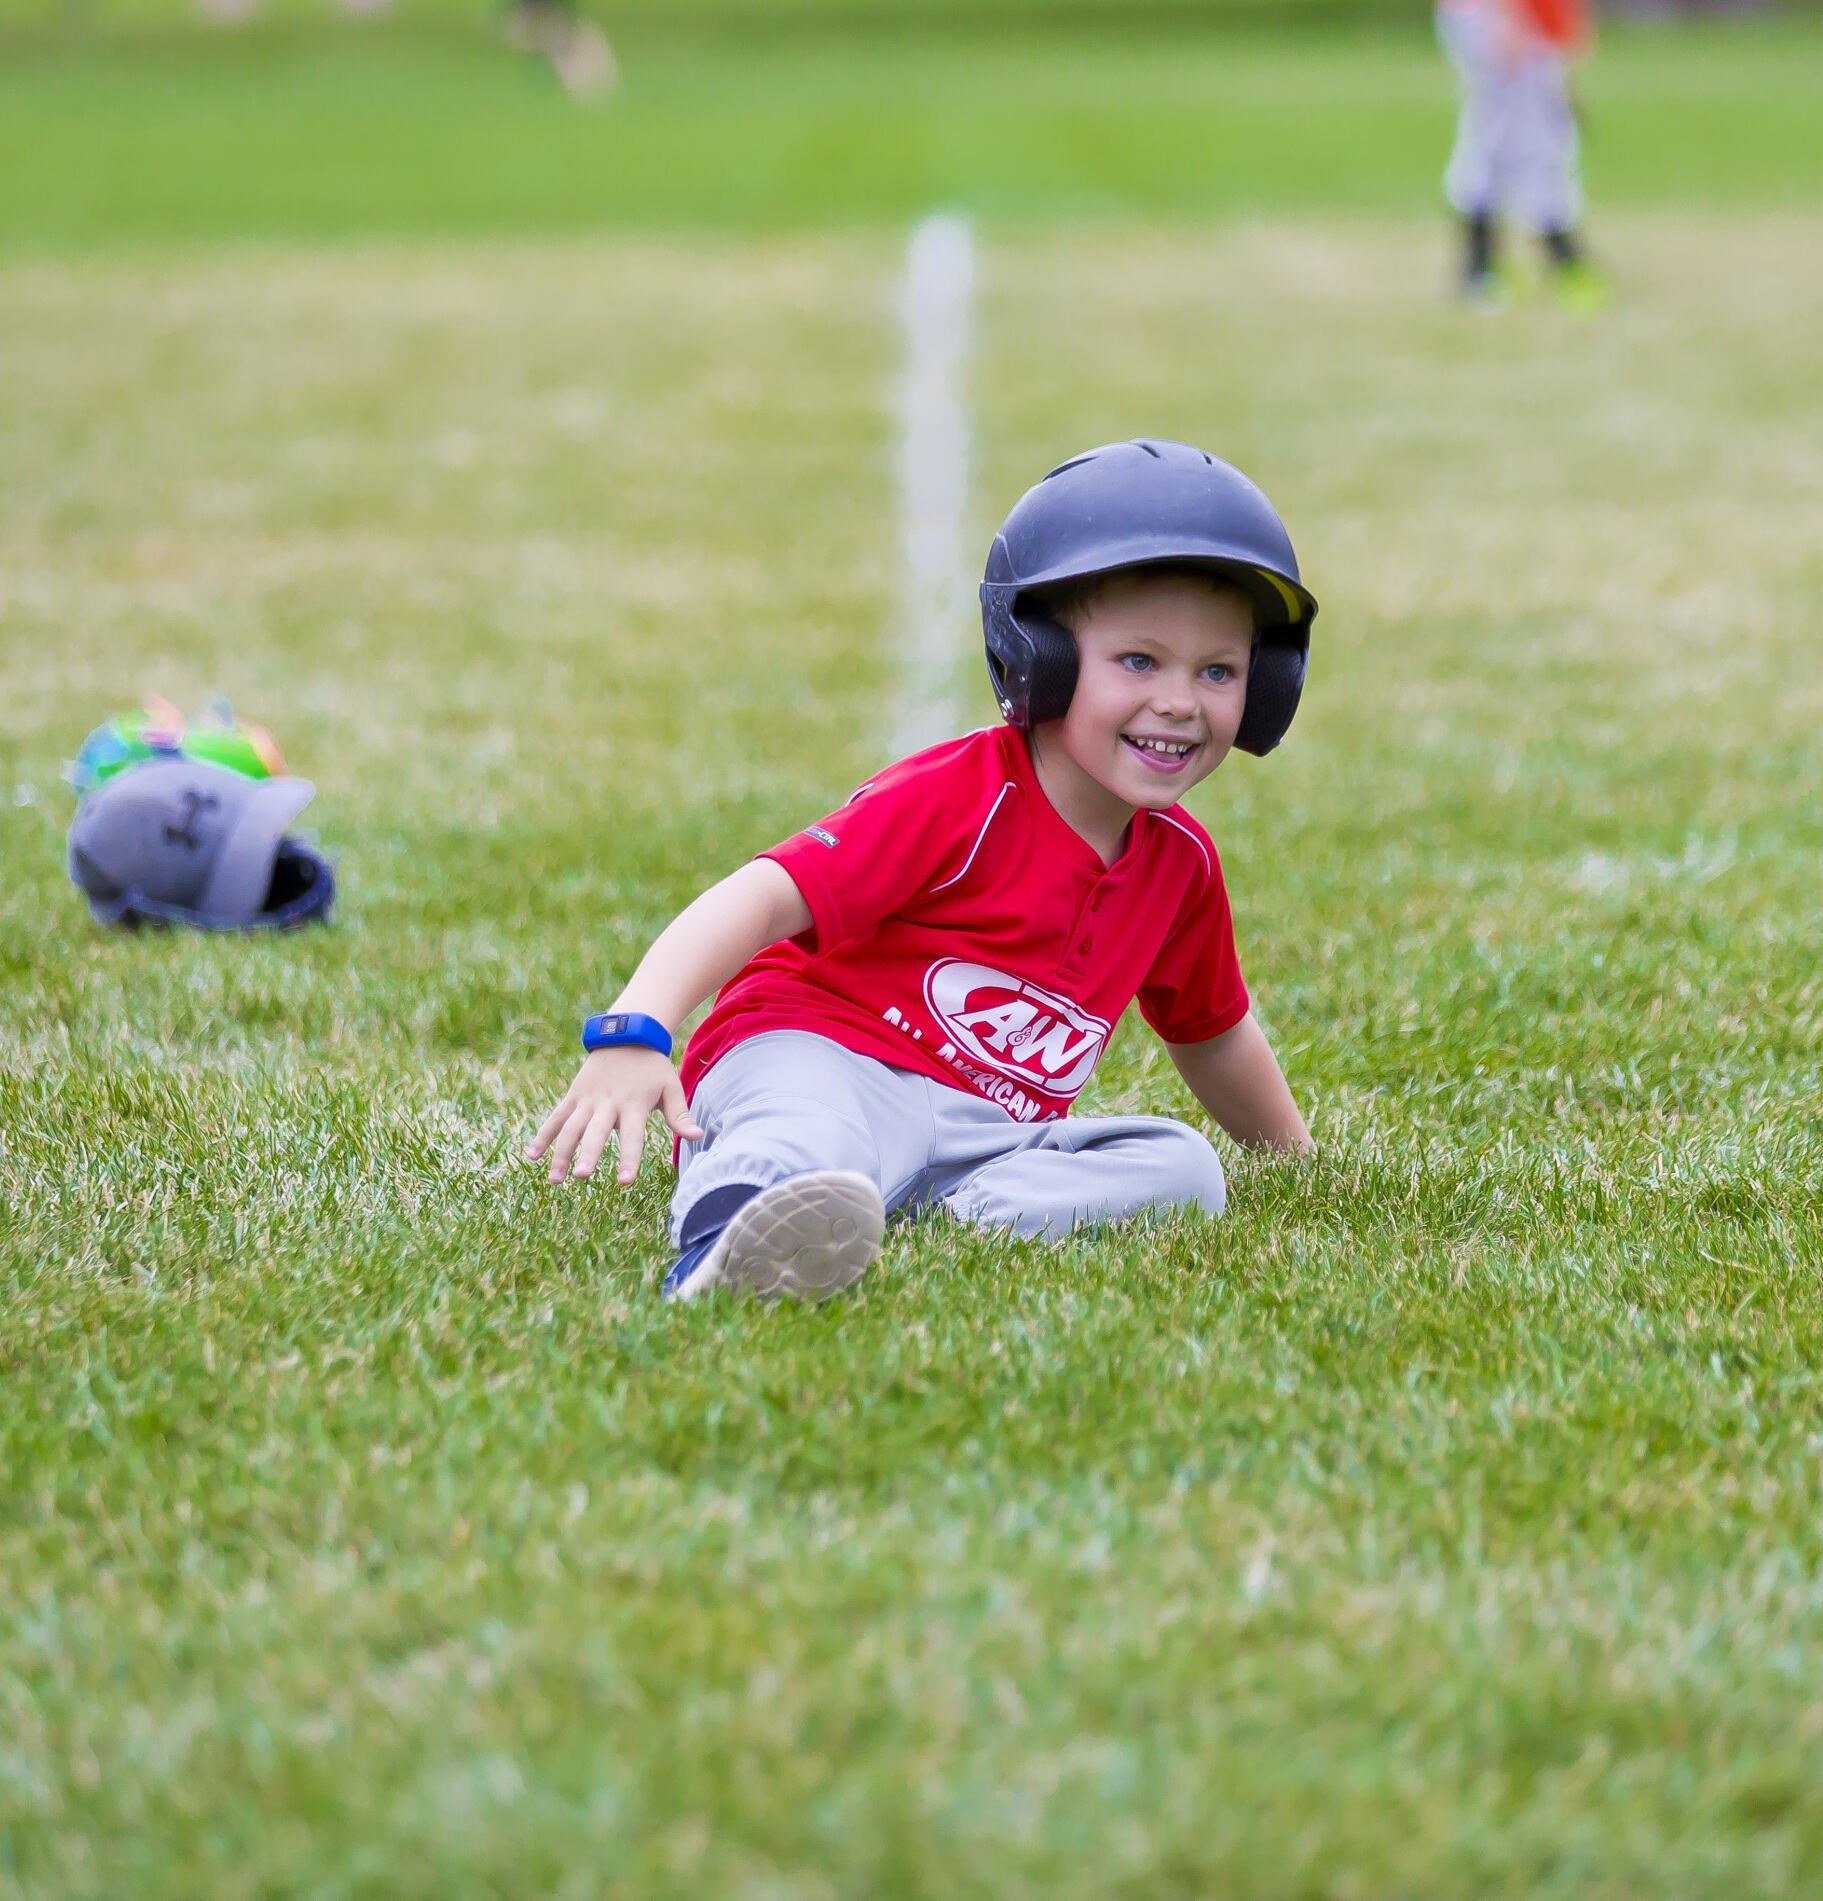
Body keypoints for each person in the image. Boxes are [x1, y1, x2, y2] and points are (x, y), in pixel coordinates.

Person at [525, 441, 1316, 1302]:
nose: (1179, 701)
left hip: (992, 1134)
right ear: (1037, 657)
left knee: (1184, 1167)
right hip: (823, 1054)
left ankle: (945, 1215)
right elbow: (759, 899)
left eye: (1219, 671)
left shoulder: (1181, 867)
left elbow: (1213, 1034)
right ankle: (733, 1236)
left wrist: (1299, 1161)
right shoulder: (960, 796)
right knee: (807, 1122)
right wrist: (637, 1030)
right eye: (1139, 661)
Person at [1436, 0, 1604, 309]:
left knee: (1526, 134)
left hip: (1519, 18)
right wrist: (1508, 15)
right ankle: (1544, 258)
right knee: (1507, 139)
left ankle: (1490, 266)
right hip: (1502, 16)